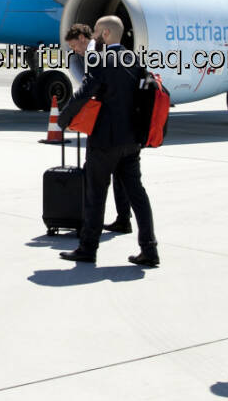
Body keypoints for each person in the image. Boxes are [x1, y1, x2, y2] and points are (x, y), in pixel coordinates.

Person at [55, 15, 159, 268]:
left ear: (106, 35)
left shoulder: (102, 61)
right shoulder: (135, 60)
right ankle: (149, 249)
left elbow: (84, 92)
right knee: (138, 194)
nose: (93, 39)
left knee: (95, 194)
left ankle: (88, 249)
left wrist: (63, 118)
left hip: (105, 140)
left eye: (96, 34)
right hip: (132, 140)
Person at [65, 23, 132, 232]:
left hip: (108, 128)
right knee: (123, 179)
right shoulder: (104, 52)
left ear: (83, 39)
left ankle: (90, 233)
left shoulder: (97, 53)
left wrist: (67, 116)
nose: (75, 51)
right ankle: (124, 219)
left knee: (99, 181)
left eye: (75, 46)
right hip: (125, 127)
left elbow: (90, 88)